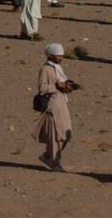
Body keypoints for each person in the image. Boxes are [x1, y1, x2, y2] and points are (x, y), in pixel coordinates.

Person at [32, 43, 76, 172]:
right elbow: (42, 88)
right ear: (51, 56)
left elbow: (61, 84)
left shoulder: (58, 68)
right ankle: (54, 162)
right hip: (52, 104)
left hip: (61, 102)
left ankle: (47, 156)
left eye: (62, 56)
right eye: (58, 56)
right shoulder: (45, 69)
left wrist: (68, 87)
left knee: (66, 133)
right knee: (56, 134)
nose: (61, 58)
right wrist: (57, 86)